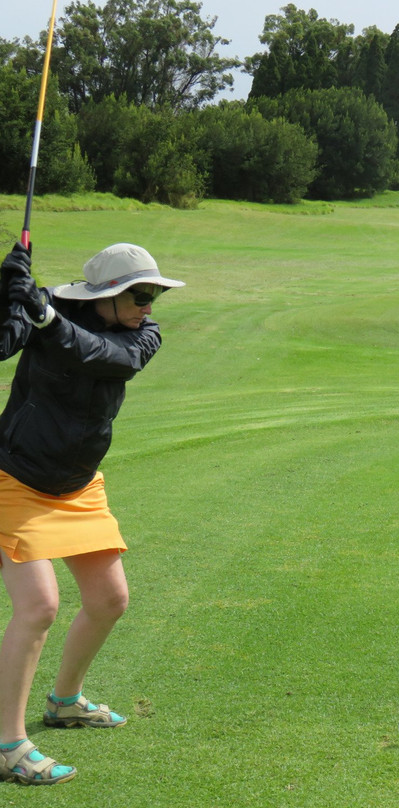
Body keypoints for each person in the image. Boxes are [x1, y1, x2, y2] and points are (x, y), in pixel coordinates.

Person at [0, 241, 183, 785]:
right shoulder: (45, 309)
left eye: (154, 294)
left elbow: (103, 357)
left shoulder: (139, 337)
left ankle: (65, 701)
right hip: (15, 476)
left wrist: (44, 315)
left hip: (79, 484)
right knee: (38, 607)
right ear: (104, 295)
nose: (150, 304)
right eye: (140, 294)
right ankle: (8, 745)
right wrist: (10, 292)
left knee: (110, 600)